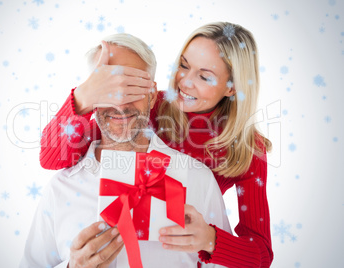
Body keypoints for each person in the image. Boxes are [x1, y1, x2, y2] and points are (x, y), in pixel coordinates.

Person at [39, 22, 273, 267]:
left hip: (176, 244)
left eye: (204, 76)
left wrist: (211, 240)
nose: (185, 82)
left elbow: (261, 254)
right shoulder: (148, 105)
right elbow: (52, 157)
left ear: (232, 87)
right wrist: (83, 97)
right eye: (183, 65)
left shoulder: (248, 149)